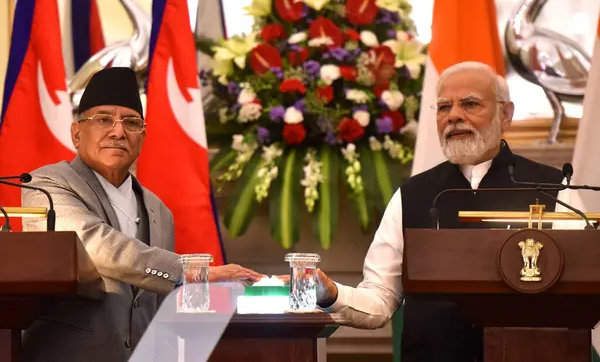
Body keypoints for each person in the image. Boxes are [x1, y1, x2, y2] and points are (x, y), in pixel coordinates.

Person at [311, 61, 587, 362]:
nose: (454, 116)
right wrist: (330, 294)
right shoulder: (413, 194)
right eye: (444, 107)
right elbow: (379, 300)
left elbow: (582, 286)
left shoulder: (553, 187)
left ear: (505, 115)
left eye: (470, 104)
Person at [20, 67, 264, 362]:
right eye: (103, 119)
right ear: (76, 132)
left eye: (131, 122)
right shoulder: (46, 185)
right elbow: (93, 245)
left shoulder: (159, 210)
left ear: (142, 137)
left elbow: (157, 303)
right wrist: (192, 272)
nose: (118, 131)